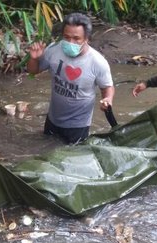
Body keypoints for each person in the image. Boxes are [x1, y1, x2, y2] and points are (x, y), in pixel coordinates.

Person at [27, 12, 115, 144]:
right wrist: (34, 59)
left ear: (87, 38)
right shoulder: (54, 50)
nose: (70, 42)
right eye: (66, 37)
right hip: (53, 119)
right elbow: (33, 70)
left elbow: (107, 87)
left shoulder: (97, 62)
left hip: (78, 125)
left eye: (76, 38)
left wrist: (107, 99)